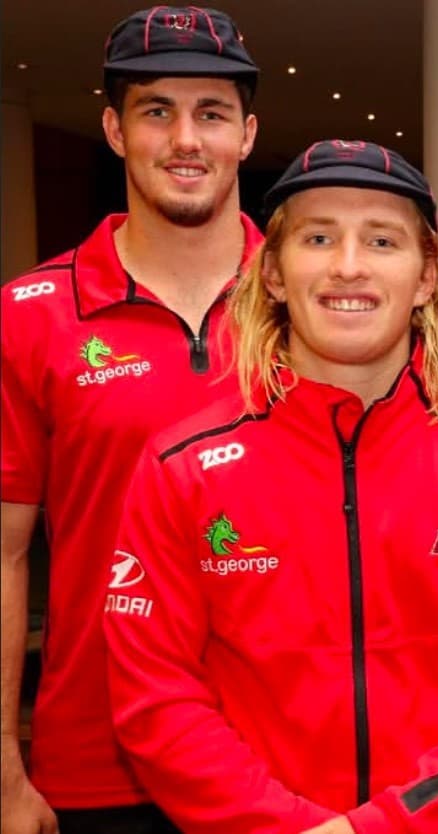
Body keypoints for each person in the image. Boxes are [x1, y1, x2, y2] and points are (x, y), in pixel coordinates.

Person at [101, 140, 438, 834]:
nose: (349, 266)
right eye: (319, 237)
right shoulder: (180, 465)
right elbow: (155, 697)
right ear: (271, 272)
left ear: (425, 277)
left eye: (382, 240)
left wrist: (389, 824)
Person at [1, 7, 260, 832]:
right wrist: (5, 767)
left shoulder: (318, 306)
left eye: (211, 113)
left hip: (289, 760)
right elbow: (3, 554)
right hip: (95, 764)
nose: (186, 139)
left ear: (247, 135)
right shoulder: (28, 315)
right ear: (114, 128)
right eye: (157, 110)